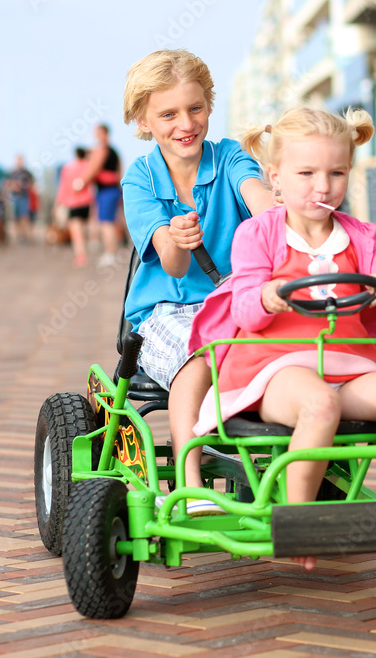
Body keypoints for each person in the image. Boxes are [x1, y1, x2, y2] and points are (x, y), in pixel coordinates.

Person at [190, 107, 376, 570]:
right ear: (275, 178)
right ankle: (298, 517)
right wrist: (268, 296)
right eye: (307, 173)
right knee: (320, 403)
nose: (323, 187)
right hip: (274, 370)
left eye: (336, 173)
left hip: (347, 365)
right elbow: (242, 307)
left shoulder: (361, 236)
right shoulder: (258, 233)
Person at [121, 49, 272, 515]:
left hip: (236, 302)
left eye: (195, 108)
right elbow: (173, 266)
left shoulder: (228, 156)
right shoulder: (140, 178)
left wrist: (284, 212)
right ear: (143, 121)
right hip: (167, 311)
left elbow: (260, 199)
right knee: (201, 357)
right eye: (168, 114)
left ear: (209, 105)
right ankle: (187, 487)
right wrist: (178, 238)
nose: (185, 123)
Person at [74, 123, 123, 269]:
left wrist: (80, 183)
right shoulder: (114, 151)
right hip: (112, 190)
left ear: (103, 133)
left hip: (107, 192)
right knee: (109, 222)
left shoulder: (102, 150)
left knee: (106, 223)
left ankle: (110, 254)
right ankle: (111, 253)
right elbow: (118, 171)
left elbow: (94, 169)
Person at [56, 147, 93, 266]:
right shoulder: (89, 166)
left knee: (76, 232)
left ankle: (80, 256)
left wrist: (58, 203)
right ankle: (83, 253)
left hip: (73, 203)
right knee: (83, 230)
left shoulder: (68, 168)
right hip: (87, 202)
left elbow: (63, 186)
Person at [6, 155, 35, 243]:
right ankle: (18, 235)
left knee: (24, 216)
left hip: (24, 196)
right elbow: (8, 183)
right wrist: (13, 186)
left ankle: (24, 235)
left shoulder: (27, 173)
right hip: (14, 197)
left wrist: (24, 186)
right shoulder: (12, 173)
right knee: (15, 217)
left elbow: (32, 183)